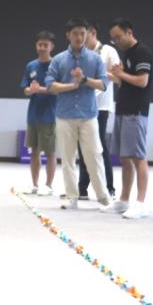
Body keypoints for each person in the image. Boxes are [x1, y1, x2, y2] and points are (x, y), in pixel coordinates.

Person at [46, 18, 110, 209]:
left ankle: (103, 197)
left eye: (83, 33)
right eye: (75, 33)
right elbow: (50, 86)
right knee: (67, 158)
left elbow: (103, 84)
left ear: (87, 34)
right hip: (64, 115)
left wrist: (84, 80)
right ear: (68, 35)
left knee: (94, 155)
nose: (79, 37)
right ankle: (71, 197)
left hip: (88, 115)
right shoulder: (58, 59)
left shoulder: (95, 59)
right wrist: (71, 86)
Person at [102, 18, 153, 219]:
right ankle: (124, 200)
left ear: (129, 32)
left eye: (118, 37)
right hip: (123, 109)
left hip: (136, 111)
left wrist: (121, 74)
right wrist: (112, 75)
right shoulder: (128, 54)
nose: (116, 42)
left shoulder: (142, 52)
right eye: (113, 39)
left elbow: (142, 81)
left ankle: (141, 203)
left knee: (138, 157)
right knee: (124, 157)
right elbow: (123, 81)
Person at [77, 24, 118, 199]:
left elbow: (118, 77)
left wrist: (102, 73)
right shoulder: (82, 53)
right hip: (83, 104)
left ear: (93, 33)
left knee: (99, 145)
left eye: (84, 35)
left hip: (101, 106)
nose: (81, 39)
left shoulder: (108, 51)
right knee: (82, 146)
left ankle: (109, 188)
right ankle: (82, 188)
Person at [21, 31, 58, 196]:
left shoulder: (56, 65)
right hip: (33, 114)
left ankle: (48, 185)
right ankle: (34, 184)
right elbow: (25, 88)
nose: (42, 48)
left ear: (52, 47)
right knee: (34, 151)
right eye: (40, 45)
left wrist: (40, 89)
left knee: (50, 152)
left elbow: (58, 89)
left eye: (45, 45)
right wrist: (30, 90)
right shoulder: (31, 66)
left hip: (49, 115)